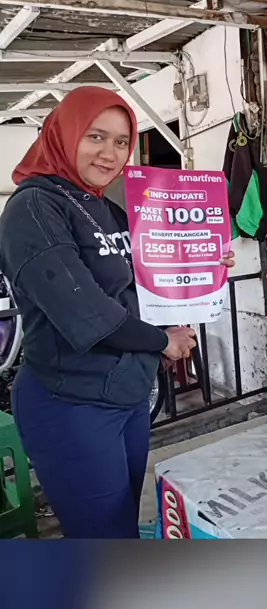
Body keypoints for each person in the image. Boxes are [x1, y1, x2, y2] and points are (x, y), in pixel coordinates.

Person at [0, 86, 234, 538]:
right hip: (72, 403)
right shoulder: (34, 207)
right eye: (96, 136)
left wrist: (208, 258)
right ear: (64, 134)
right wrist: (163, 341)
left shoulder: (105, 207)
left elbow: (149, 278)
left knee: (122, 524)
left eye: (122, 141)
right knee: (102, 535)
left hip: (127, 395)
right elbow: (83, 311)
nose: (110, 153)